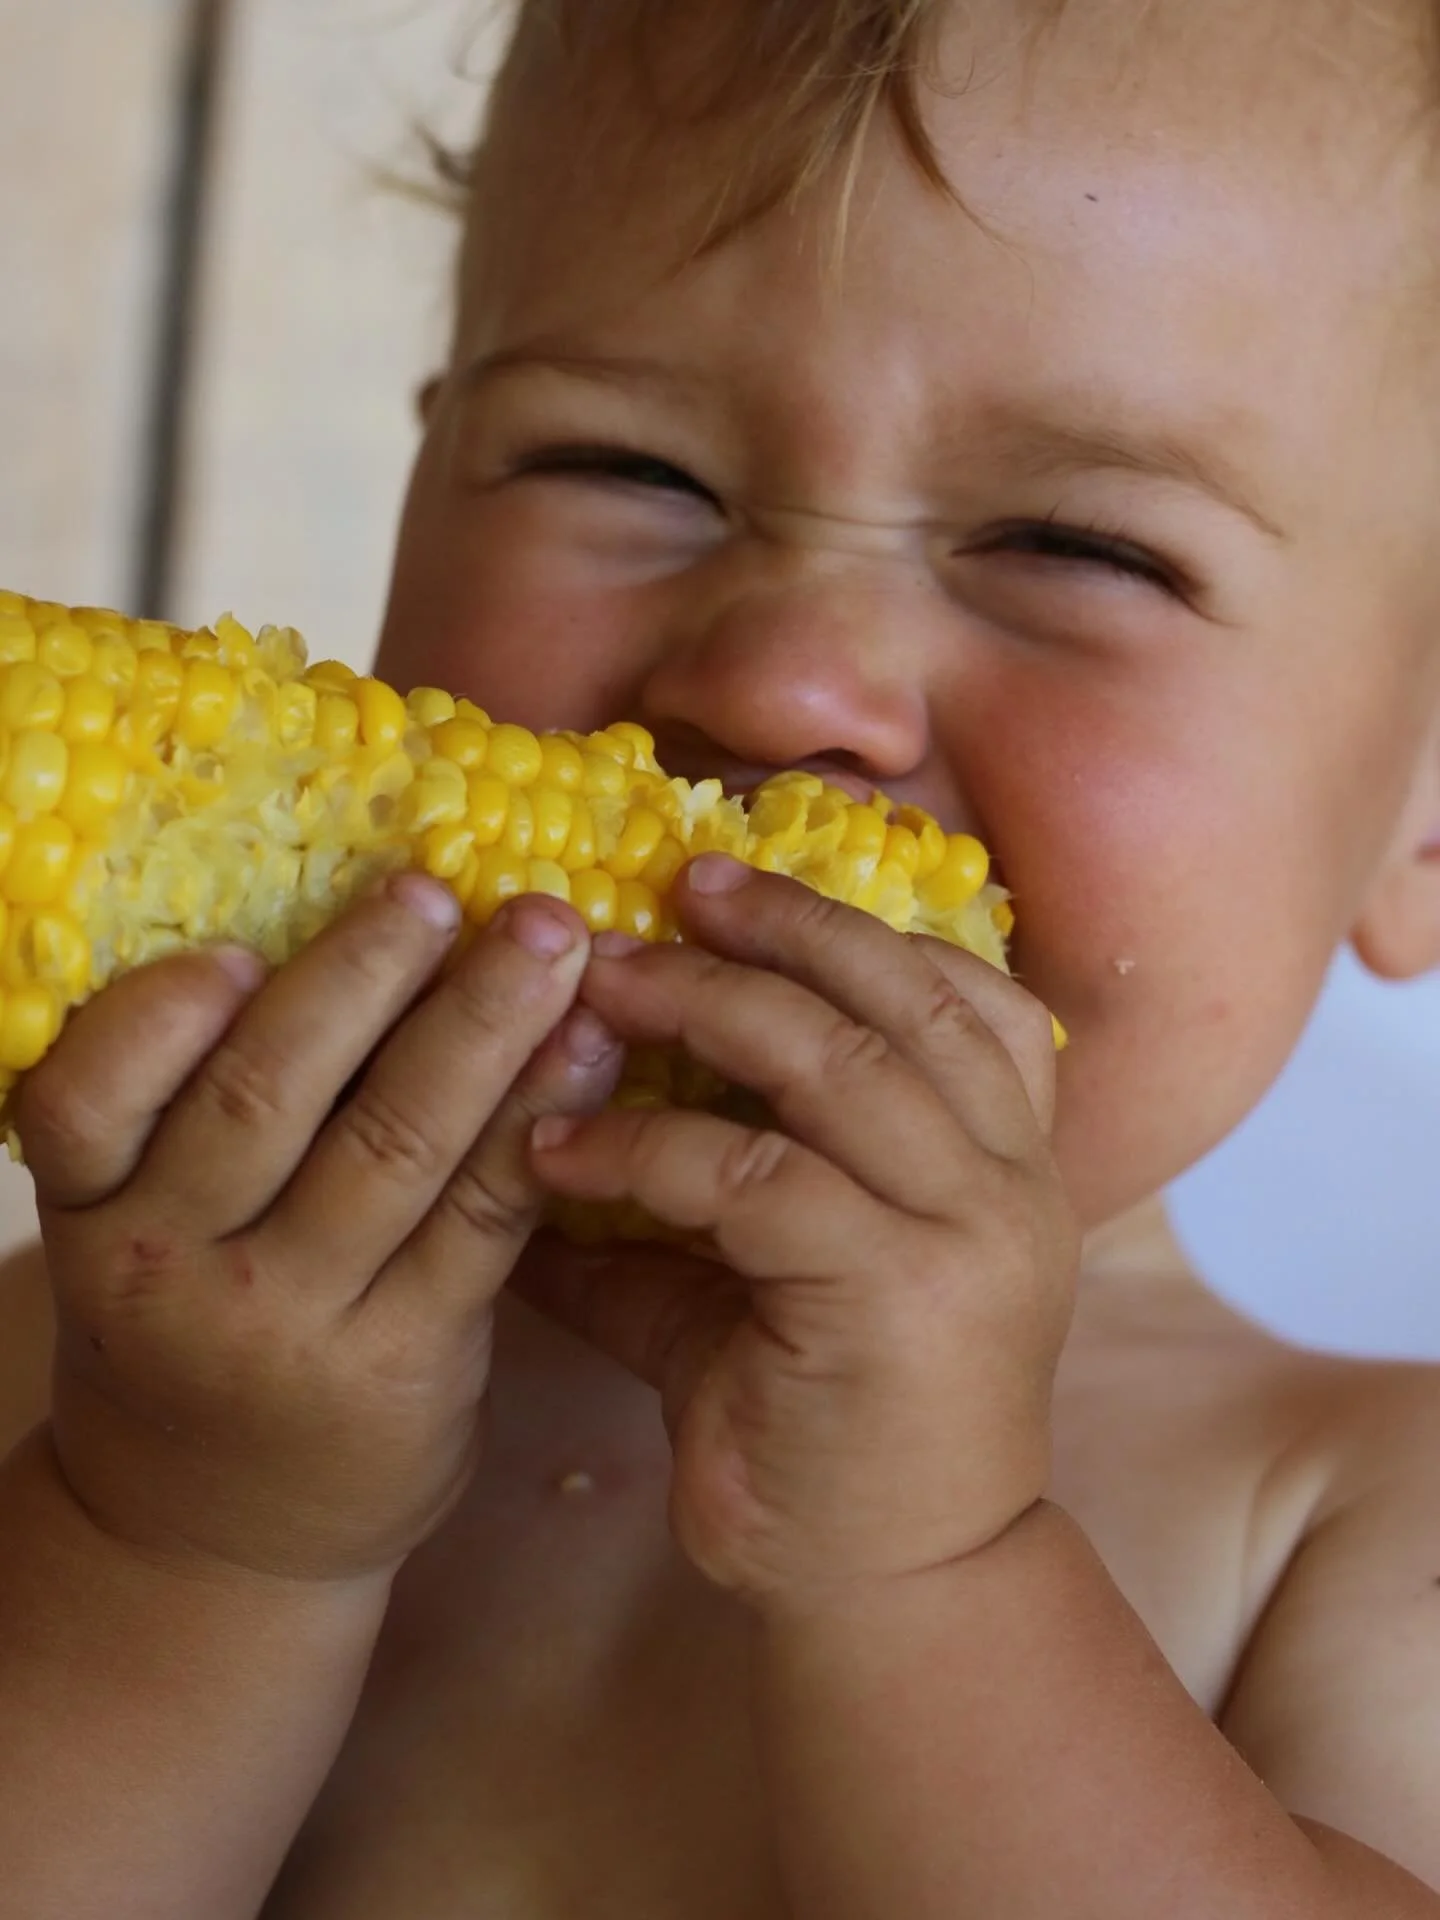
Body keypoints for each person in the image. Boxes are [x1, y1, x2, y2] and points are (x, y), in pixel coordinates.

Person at [5, 0, 1440, 1912]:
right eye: (624, 465)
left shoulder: (1348, 1525)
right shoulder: (94, 1355)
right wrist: (175, 1548)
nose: (779, 682)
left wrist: (933, 1569)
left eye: (1077, 545)